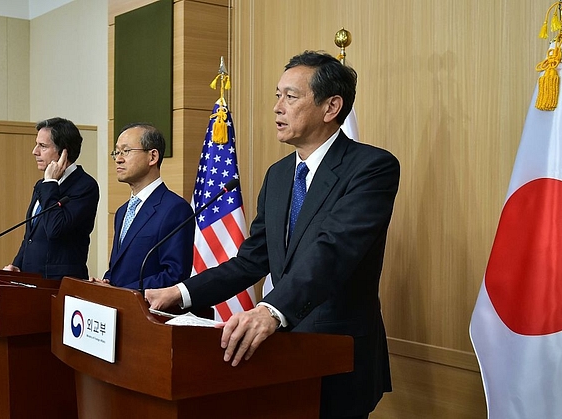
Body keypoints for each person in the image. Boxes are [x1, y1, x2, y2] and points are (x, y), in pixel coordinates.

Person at [146, 51, 400, 419]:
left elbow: (333, 251)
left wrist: (270, 309)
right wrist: (181, 293)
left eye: (291, 97)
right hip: (279, 354)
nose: (277, 107)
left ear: (331, 107)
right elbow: (252, 260)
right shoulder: (279, 175)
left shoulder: (372, 168)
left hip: (338, 354)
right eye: (277, 95)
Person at [89, 123, 193, 290]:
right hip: (118, 308)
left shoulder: (175, 209)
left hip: (148, 311)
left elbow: (175, 275)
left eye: (126, 151)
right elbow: (119, 269)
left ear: (152, 157)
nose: (118, 158)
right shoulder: (123, 211)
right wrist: (106, 282)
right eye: (116, 152)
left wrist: (125, 292)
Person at [4, 117, 100, 280]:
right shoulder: (42, 184)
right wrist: (17, 265)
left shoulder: (85, 186)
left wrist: (50, 182)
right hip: (30, 279)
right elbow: (31, 236)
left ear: (64, 151)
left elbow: (55, 229)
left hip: (59, 283)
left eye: (43, 146)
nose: (35, 151)